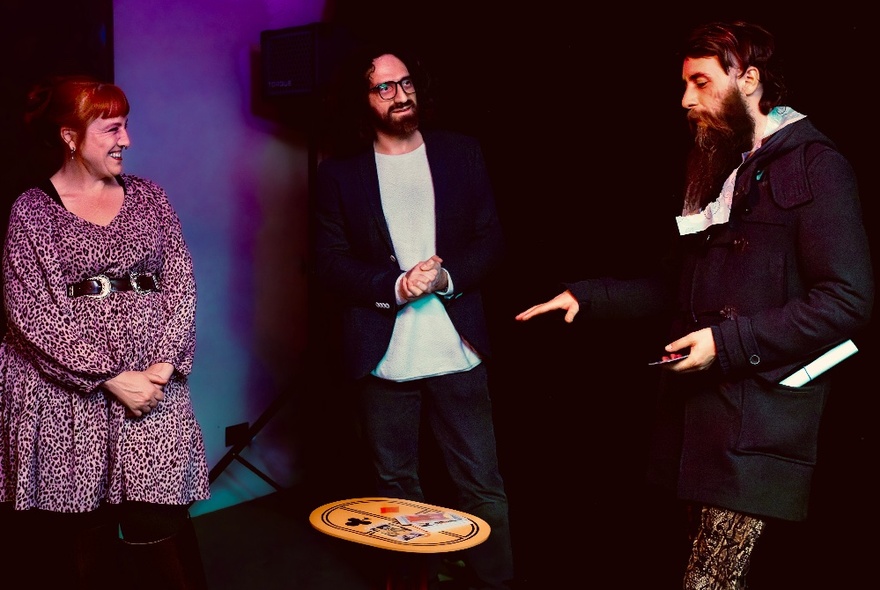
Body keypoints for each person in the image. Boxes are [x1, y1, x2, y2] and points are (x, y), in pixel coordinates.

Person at [516, 20, 873, 589]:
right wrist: (588, 297)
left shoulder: (816, 166)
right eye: (686, 84)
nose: (686, 99)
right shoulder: (721, 166)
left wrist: (724, 344)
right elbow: (676, 286)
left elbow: (848, 299)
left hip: (758, 428)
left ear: (748, 79)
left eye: (701, 82)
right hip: (699, 426)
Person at [313, 44, 515, 589]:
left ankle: (494, 582)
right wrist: (395, 286)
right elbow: (328, 265)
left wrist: (446, 279)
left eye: (406, 84)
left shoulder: (461, 153)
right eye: (385, 87)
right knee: (395, 490)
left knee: (481, 485)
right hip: (382, 358)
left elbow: (490, 239)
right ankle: (414, 583)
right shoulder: (340, 175)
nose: (400, 96)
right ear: (363, 100)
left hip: (458, 350)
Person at [0, 75, 211, 589]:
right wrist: (111, 376)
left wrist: (162, 368)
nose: (127, 140)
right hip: (64, 402)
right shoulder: (31, 212)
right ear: (70, 137)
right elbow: (30, 316)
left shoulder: (150, 198)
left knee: (161, 529)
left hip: (152, 391)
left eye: (126, 126)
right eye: (111, 129)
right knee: (79, 544)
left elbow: (180, 282)